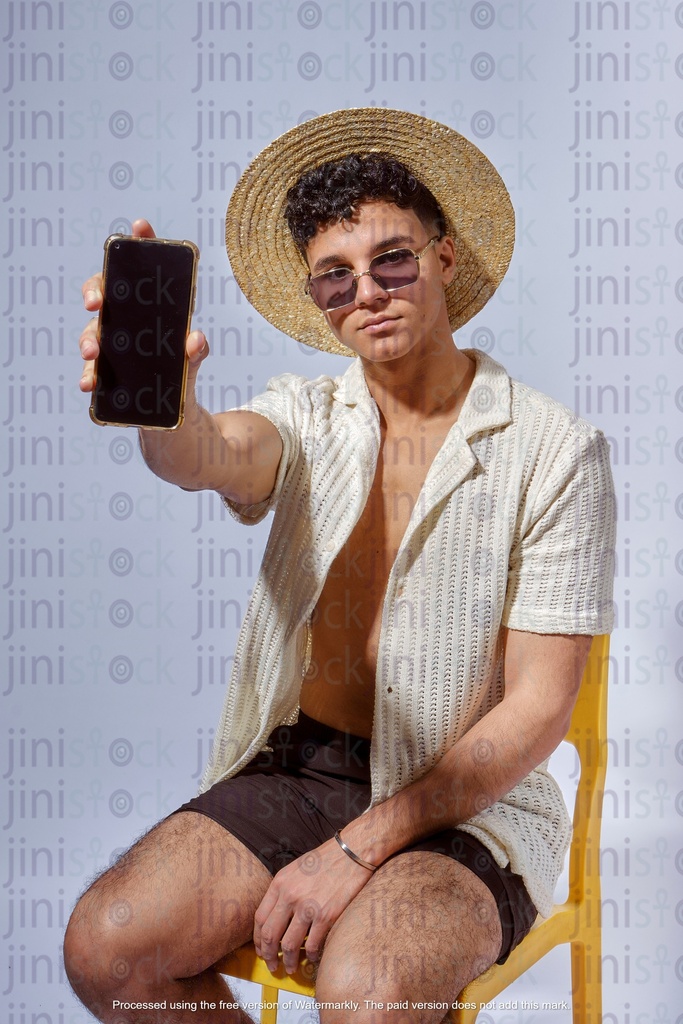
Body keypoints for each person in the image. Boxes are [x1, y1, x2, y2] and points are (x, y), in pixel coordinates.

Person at [64, 108, 615, 1024]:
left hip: (468, 807)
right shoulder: (312, 415)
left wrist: (357, 851)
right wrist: (167, 404)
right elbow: (212, 456)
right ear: (317, 296)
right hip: (303, 771)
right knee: (110, 948)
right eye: (336, 275)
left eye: (392, 259)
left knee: (367, 996)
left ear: (443, 259)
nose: (367, 290)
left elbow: (534, 713)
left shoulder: (556, 450)